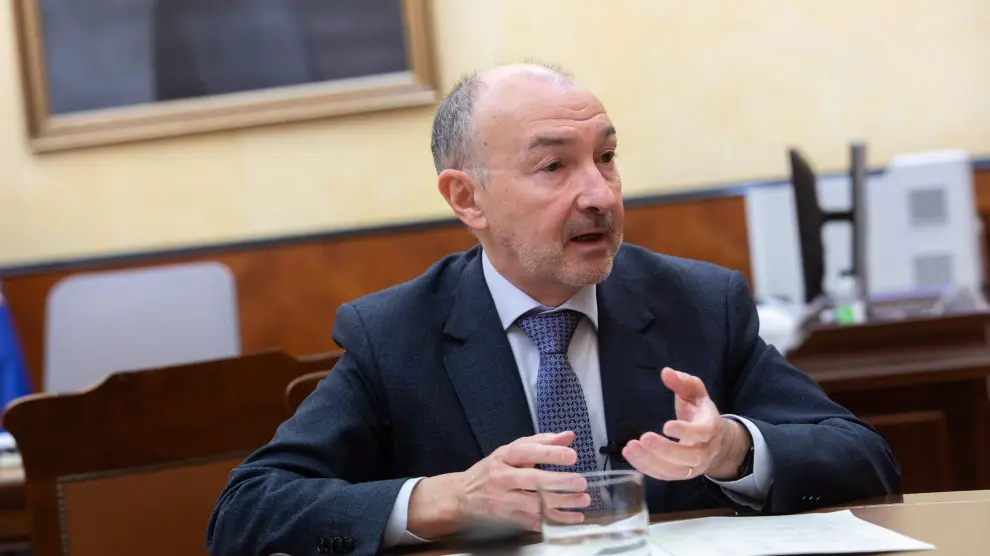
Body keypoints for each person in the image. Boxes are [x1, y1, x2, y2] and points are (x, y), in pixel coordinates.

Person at [206, 64, 899, 556]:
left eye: (607, 157)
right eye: (554, 167)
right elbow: (247, 512)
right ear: (467, 199)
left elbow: (867, 460)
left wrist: (733, 450)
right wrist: (447, 500)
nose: (599, 194)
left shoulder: (698, 302)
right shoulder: (394, 333)